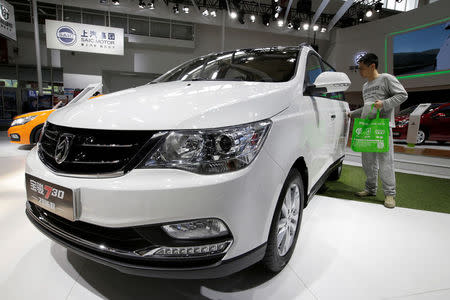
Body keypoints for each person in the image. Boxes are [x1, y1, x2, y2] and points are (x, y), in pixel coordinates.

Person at [348, 53, 408, 208]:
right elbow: (367, 107)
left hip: (382, 126)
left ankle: (390, 194)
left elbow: (402, 95)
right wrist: (352, 114)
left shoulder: (386, 78)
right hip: (367, 127)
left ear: (372, 66)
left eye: (362, 68)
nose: (360, 72)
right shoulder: (365, 86)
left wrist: (384, 104)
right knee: (367, 161)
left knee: (386, 162)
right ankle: (370, 188)